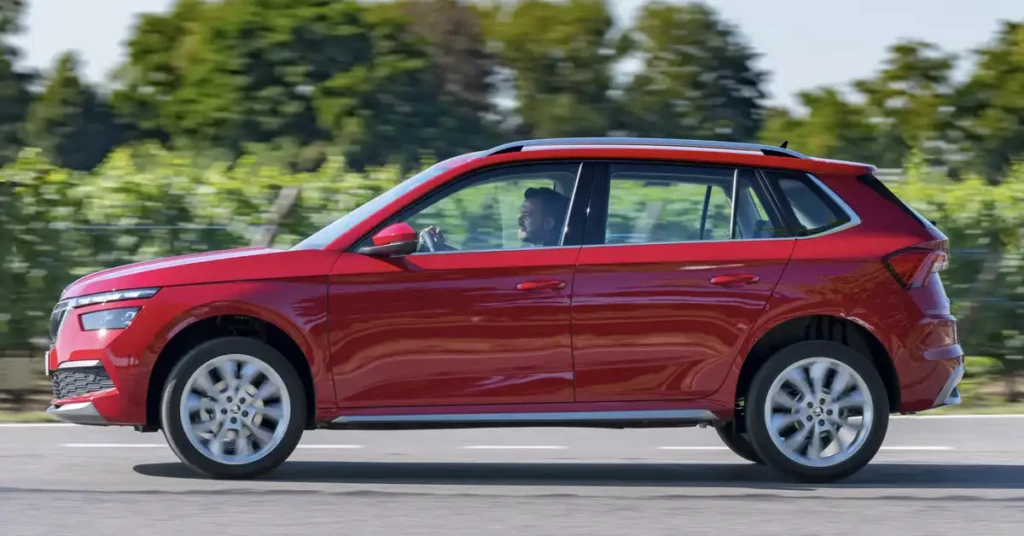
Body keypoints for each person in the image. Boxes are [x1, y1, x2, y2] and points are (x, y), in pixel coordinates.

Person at [418, 186, 569, 251]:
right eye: (521, 213)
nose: (519, 220)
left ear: (549, 223)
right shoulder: (539, 250)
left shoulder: (546, 258)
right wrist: (444, 249)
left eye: (527, 215)